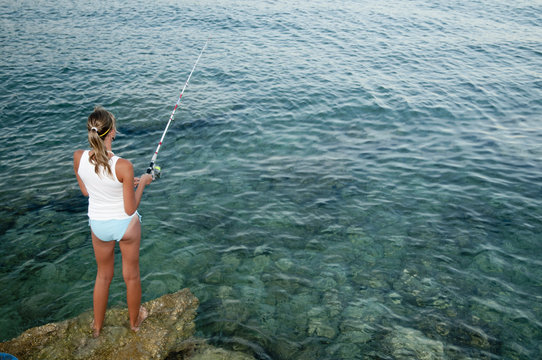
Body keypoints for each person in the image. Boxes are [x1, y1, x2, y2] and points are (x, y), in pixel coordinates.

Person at [73, 106, 153, 337]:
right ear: (112, 132)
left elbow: (87, 192)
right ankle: (135, 323)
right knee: (131, 276)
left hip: (98, 225)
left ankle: (97, 328)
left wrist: (125, 183)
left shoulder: (78, 157)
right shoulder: (123, 165)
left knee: (103, 276)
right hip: (125, 225)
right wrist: (143, 183)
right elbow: (130, 208)